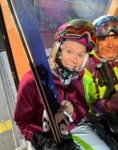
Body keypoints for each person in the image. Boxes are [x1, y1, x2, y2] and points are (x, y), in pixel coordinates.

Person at [14, 19, 111, 150]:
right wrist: (43, 142)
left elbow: (82, 108)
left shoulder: (80, 77)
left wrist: (72, 113)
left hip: (73, 128)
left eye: (80, 54)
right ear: (58, 49)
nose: (74, 59)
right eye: (69, 51)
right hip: (43, 136)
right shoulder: (32, 80)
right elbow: (23, 121)